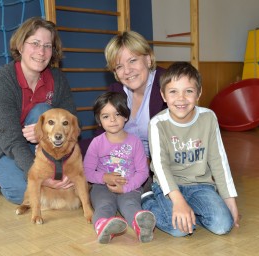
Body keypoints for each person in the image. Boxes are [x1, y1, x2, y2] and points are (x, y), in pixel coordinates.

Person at [0, 17, 76, 204]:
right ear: (21, 46)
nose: (41, 52)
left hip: (44, 148)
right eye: (35, 43)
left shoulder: (58, 80)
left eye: (47, 46)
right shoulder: (2, 82)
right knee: (22, 192)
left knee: (44, 111)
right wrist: (39, 175)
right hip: (4, 149)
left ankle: (43, 178)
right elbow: (10, 139)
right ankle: (10, 176)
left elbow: (70, 124)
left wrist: (44, 136)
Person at [141, 61, 240, 237]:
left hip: (201, 185)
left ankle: (190, 211)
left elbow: (218, 160)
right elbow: (160, 166)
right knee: (180, 230)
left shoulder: (209, 117)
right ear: (163, 95)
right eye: (173, 92)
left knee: (223, 225)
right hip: (168, 186)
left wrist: (229, 199)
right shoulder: (157, 123)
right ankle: (148, 200)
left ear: (199, 93)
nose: (181, 98)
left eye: (189, 91)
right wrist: (177, 199)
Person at [80, 31, 167, 189]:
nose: (127, 71)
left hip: (157, 164)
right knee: (71, 155)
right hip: (122, 160)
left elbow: (177, 140)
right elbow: (101, 137)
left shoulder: (167, 84)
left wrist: (148, 164)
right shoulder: (115, 90)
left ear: (148, 59)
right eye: (119, 66)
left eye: (133, 60)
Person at [84, 91, 156, 244]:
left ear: (125, 116)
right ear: (99, 121)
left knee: (130, 204)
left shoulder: (135, 142)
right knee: (104, 205)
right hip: (102, 187)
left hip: (129, 186)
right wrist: (104, 178)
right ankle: (103, 226)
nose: (112, 120)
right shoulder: (96, 143)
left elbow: (143, 172)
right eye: (106, 116)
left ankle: (141, 226)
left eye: (117, 114)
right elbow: (87, 172)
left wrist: (127, 187)